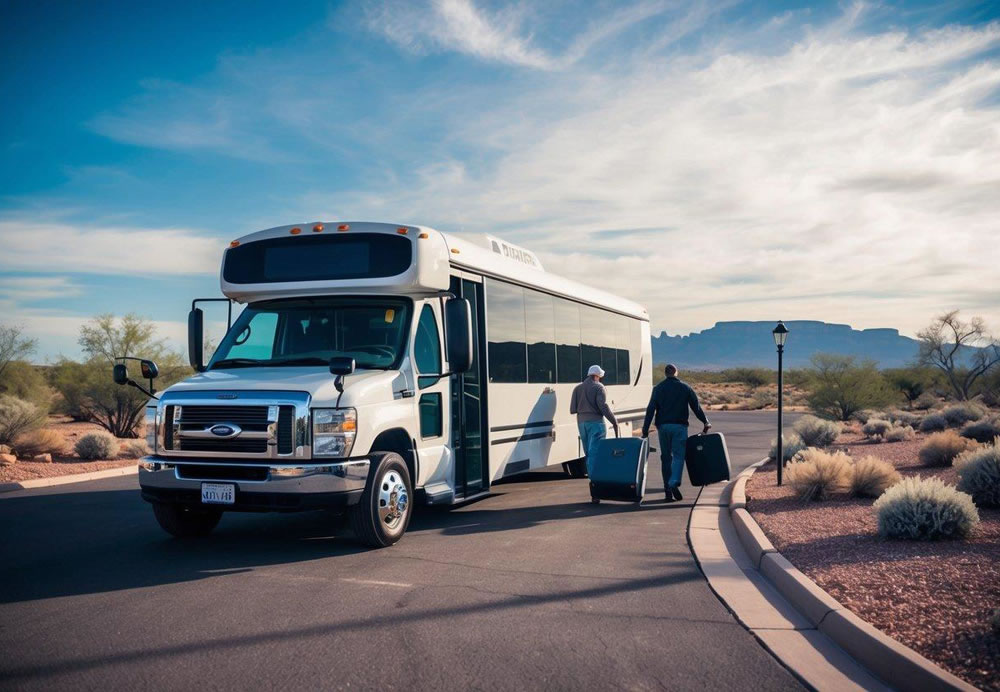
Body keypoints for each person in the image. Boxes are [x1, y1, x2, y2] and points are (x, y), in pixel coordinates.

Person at [641, 364, 711, 502]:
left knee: (666, 458)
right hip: (679, 427)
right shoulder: (685, 388)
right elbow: (696, 407)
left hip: (663, 428)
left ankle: (667, 491)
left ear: (665, 373)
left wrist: (645, 430)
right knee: (679, 456)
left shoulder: (658, 388)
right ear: (676, 372)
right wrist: (705, 421)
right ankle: (673, 482)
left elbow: (650, 410)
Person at [570, 365, 620, 476]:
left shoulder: (577, 388)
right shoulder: (599, 387)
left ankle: (592, 475)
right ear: (597, 376)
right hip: (596, 422)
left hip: (581, 423)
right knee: (596, 451)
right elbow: (603, 406)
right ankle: (595, 476)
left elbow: (573, 409)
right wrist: (614, 421)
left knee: (588, 451)